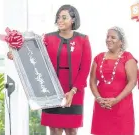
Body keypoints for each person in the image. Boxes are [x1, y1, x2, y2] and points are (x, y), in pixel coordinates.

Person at [6, 4, 92, 135]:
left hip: (74, 92)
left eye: (64, 17)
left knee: (72, 130)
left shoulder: (83, 40)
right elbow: (34, 58)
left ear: (73, 20)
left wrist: (73, 91)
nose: (60, 20)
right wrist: (17, 55)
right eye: (58, 17)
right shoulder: (47, 38)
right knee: (54, 129)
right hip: (50, 92)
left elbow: (85, 69)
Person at [90, 26, 137, 135]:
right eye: (107, 37)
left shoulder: (127, 57)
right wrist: (99, 98)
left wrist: (116, 100)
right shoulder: (98, 57)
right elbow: (92, 82)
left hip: (122, 106)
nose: (109, 39)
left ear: (121, 42)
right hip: (102, 106)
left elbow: (132, 81)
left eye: (113, 37)